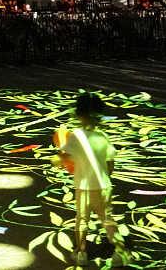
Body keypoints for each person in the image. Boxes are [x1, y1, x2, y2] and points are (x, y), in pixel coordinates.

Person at [55, 93, 127, 267]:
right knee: (107, 219)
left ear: (78, 115)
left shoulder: (77, 136)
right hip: (103, 186)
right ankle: (120, 253)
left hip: (84, 187)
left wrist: (56, 159)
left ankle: (81, 253)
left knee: (82, 220)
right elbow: (111, 164)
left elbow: (63, 158)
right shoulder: (103, 136)